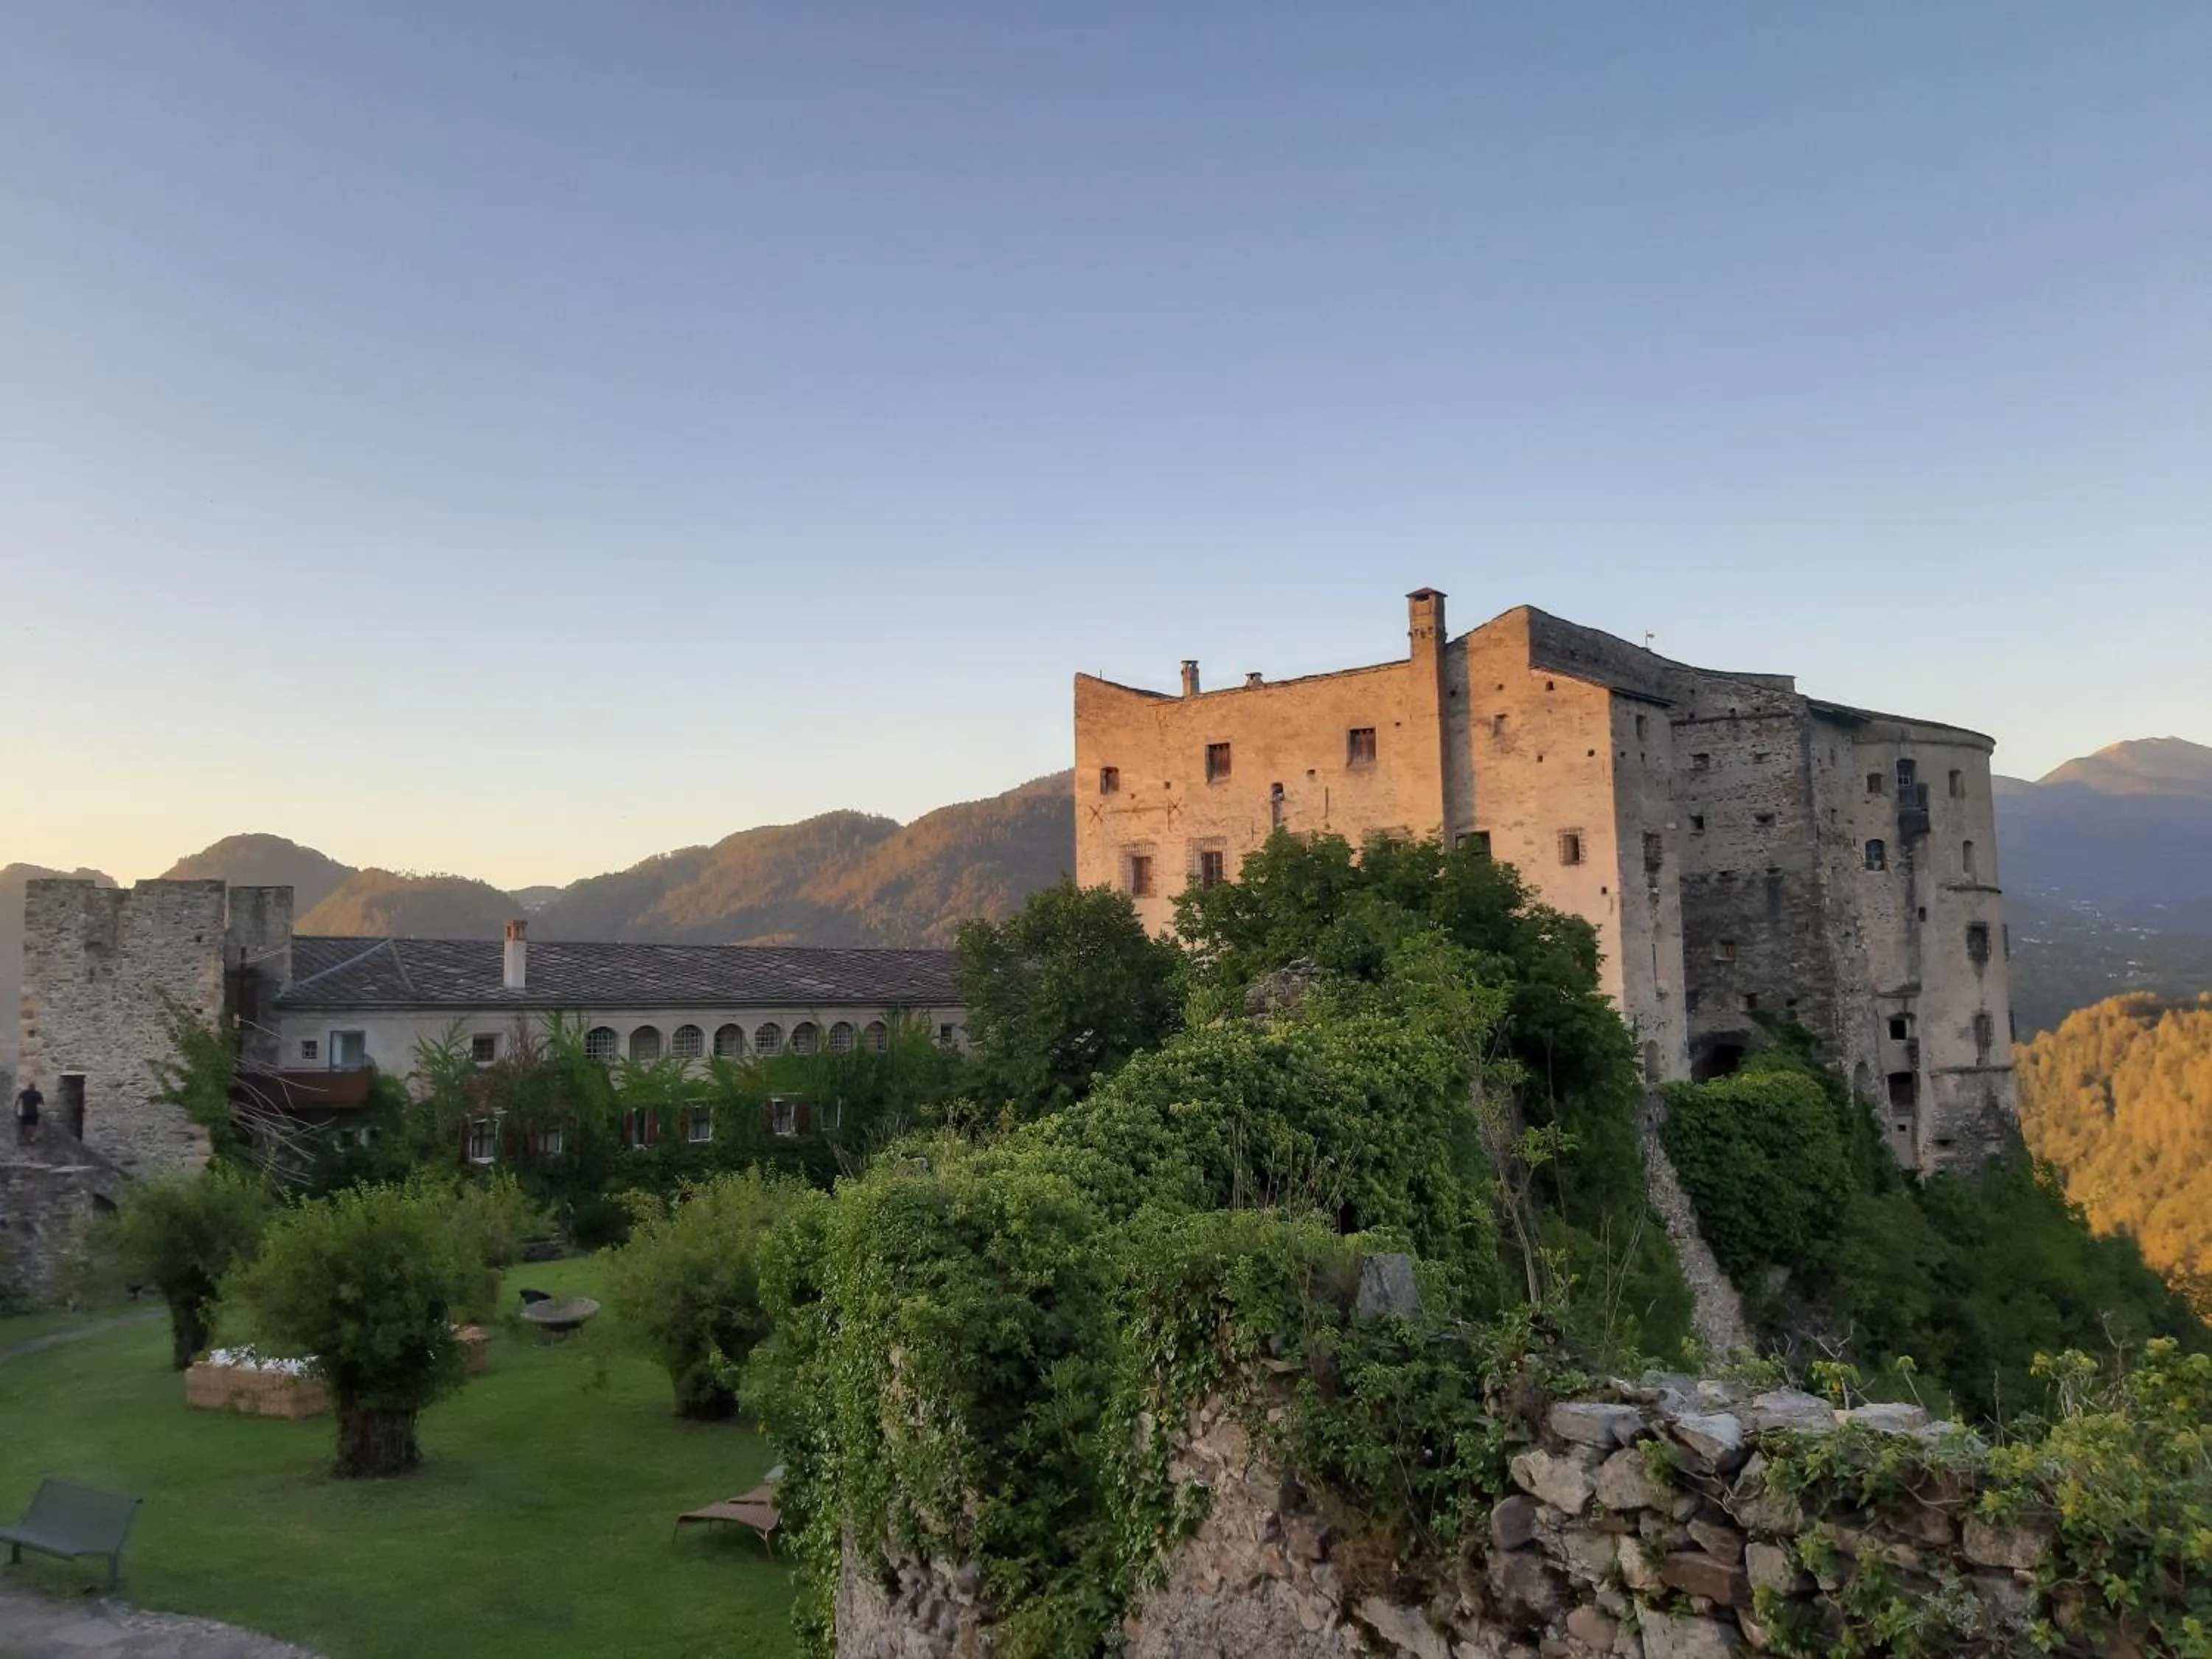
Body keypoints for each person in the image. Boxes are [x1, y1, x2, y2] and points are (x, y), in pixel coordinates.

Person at [14, 1078, 41, 1144]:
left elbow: (17, 1100)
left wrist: (16, 1108)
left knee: (24, 1126)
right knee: (32, 1126)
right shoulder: (37, 1094)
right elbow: (42, 1103)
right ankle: (30, 1138)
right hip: (33, 1113)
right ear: (34, 1088)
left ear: (28, 1087)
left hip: (26, 1112)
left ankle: (27, 1138)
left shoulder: (24, 1093)